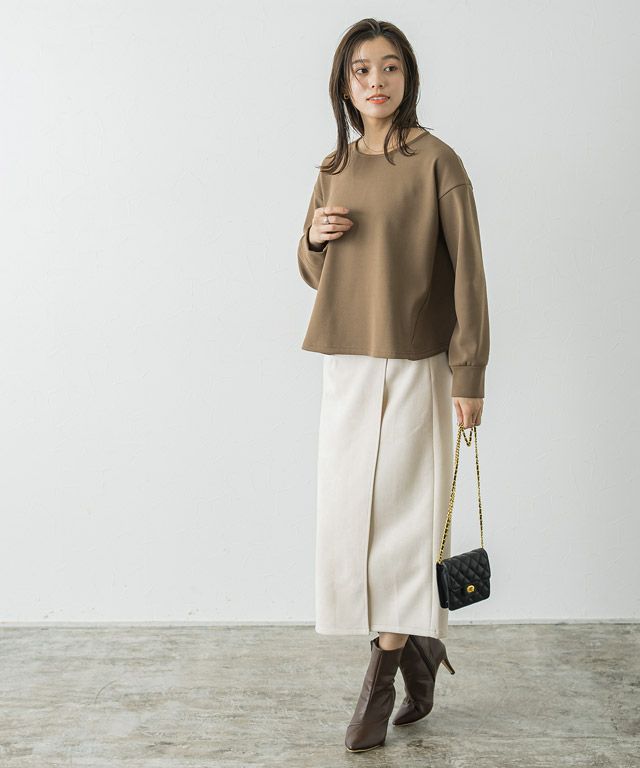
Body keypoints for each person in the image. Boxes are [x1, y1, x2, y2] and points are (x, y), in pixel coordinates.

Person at [296, 18, 490, 753]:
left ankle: (380, 679)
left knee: (406, 524)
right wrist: (314, 238)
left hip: (416, 361)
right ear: (344, 85)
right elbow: (315, 272)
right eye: (361, 70)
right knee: (352, 522)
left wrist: (469, 371)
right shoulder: (335, 165)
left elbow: (469, 274)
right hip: (347, 362)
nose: (375, 81)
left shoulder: (438, 161)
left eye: (389, 67)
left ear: (407, 77)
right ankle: (418, 649)